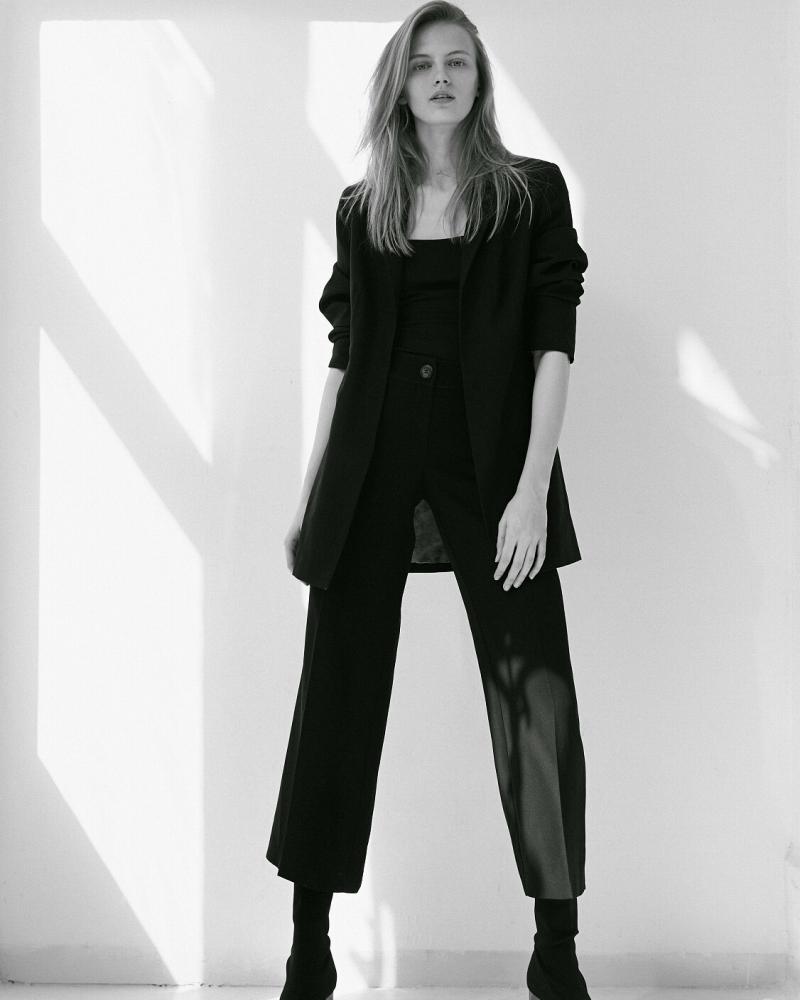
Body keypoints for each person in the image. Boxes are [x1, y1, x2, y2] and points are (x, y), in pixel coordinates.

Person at [267, 4, 592, 1000]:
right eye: (422, 65)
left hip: (490, 467)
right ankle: (309, 946)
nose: (440, 78)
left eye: (457, 62)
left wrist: (530, 489)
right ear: (398, 85)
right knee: (337, 694)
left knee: (536, 698)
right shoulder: (363, 207)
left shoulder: (527, 193)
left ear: (479, 81)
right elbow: (344, 359)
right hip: (368, 466)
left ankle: (555, 949)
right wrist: (310, 492)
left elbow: (552, 341)